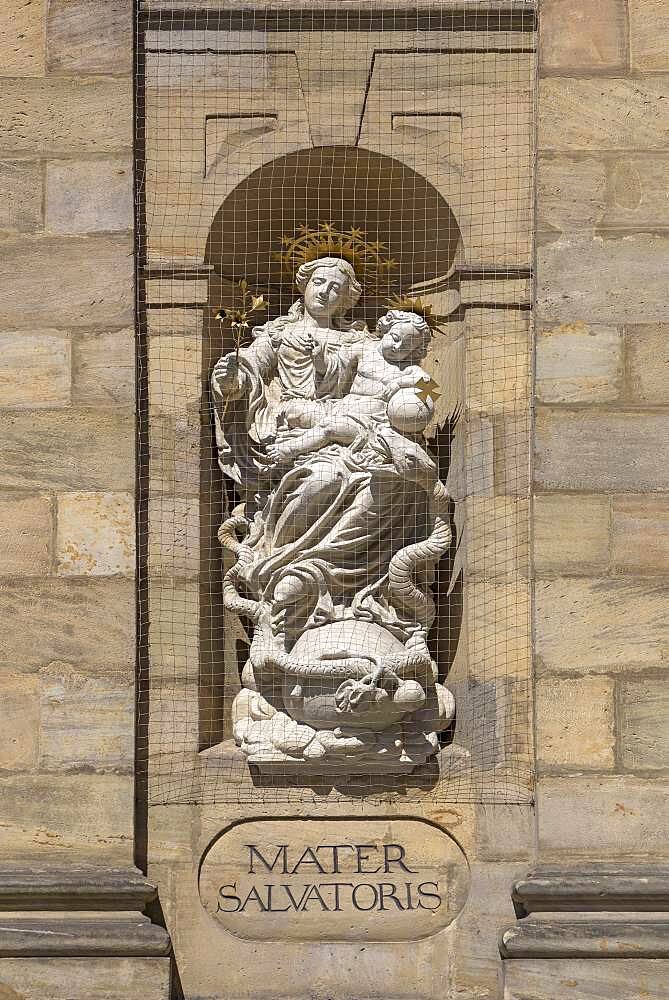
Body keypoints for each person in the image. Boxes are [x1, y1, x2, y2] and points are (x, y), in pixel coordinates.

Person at [265, 309, 434, 467]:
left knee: (330, 427)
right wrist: (319, 357)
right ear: (386, 329)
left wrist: (400, 384)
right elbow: (335, 369)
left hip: (368, 422)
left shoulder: (407, 369)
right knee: (295, 412)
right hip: (338, 407)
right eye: (396, 338)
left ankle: (289, 450)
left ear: (414, 352)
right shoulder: (363, 350)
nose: (397, 347)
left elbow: (431, 388)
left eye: (405, 347)